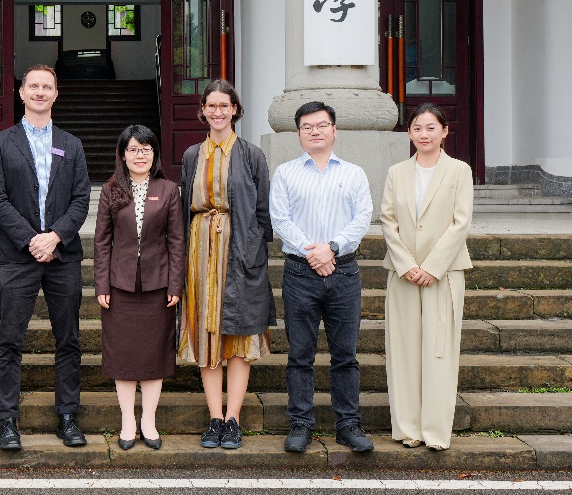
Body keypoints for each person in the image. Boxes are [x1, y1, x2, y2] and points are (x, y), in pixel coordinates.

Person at [0, 64, 92, 451]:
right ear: (22, 92)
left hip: (63, 256)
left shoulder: (71, 144)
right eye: (33, 86)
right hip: (18, 256)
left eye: (47, 86)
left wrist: (55, 237)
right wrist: (32, 240)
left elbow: (81, 199)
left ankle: (68, 416)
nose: (40, 92)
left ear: (56, 94)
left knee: (69, 340)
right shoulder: (1, 143)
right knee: (10, 340)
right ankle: (7, 421)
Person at [269, 100, 374, 455]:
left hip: (344, 271)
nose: (315, 131)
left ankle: (348, 424)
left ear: (334, 130)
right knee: (300, 353)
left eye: (322, 125)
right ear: (299, 134)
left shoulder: (354, 174)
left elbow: (362, 218)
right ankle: (301, 423)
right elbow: (280, 219)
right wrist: (313, 252)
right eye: (307, 127)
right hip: (300, 272)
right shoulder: (285, 173)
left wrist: (332, 248)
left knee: (345, 354)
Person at [177, 79, 275, 451]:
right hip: (200, 250)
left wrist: (255, 253)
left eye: (224, 105)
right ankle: (214, 417)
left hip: (241, 250)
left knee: (238, 336)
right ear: (203, 110)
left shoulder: (251, 154)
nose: (217, 112)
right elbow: (184, 207)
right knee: (207, 333)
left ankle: (233, 418)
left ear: (235, 110)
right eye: (211, 106)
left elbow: (263, 211)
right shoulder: (192, 155)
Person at [380, 102, 474, 451]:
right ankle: (408, 428)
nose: (424, 134)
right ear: (409, 132)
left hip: (444, 274)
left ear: (444, 131)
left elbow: (461, 222)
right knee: (403, 350)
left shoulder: (459, 171)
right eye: (417, 128)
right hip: (403, 273)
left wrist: (432, 267)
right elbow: (388, 220)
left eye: (431, 127)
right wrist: (407, 264)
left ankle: (435, 431)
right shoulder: (396, 173)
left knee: (439, 351)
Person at [94, 125, 185, 451]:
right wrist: (101, 284)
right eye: (133, 149)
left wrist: (175, 283)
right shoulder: (111, 190)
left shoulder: (168, 189)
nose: (140, 155)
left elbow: (176, 242)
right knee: (123, 356)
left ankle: (149, 420)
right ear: (123, 155)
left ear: (154, 153)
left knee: (153, 356)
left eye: (146, 149)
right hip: (119, 286)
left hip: (158, 286)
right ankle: (127, 422)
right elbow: (102, 242)